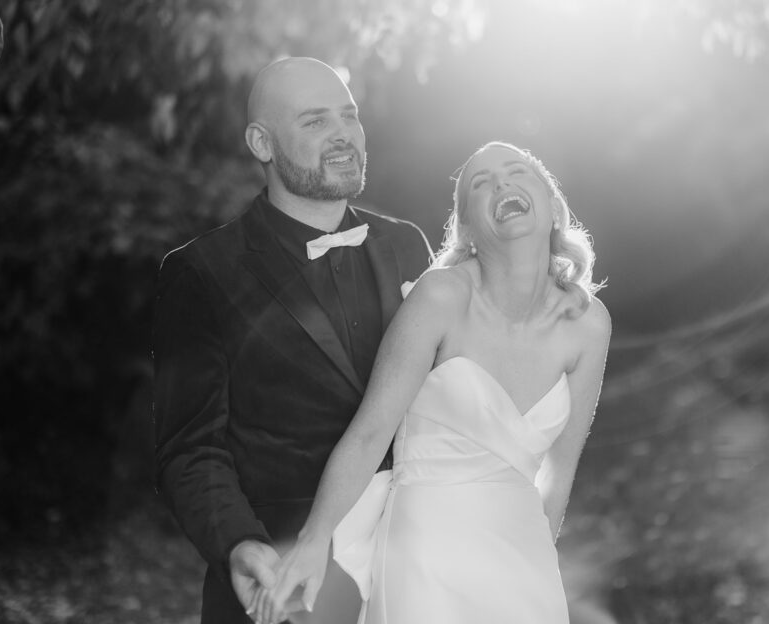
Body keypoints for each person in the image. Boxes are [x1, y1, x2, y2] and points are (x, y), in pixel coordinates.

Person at [253, 141, 611, 624]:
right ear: (469, 231)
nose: (502, 183)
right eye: (481, 183)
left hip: (522, 560)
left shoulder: (589, 323)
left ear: (552, 209)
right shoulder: (440, 297)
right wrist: (314, 541)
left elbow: (559, 472)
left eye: (517, 172)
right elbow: (369, 431)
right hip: (425, 549)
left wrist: (537, 568)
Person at [152, 57, 432, 624]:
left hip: (414, 567)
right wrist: (238, 543)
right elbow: (190, 447)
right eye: (314, 122)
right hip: (282, 578)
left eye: (348, 116)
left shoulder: (407, 247)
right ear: (262, 142)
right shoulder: (202, 272)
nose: (343, 135)